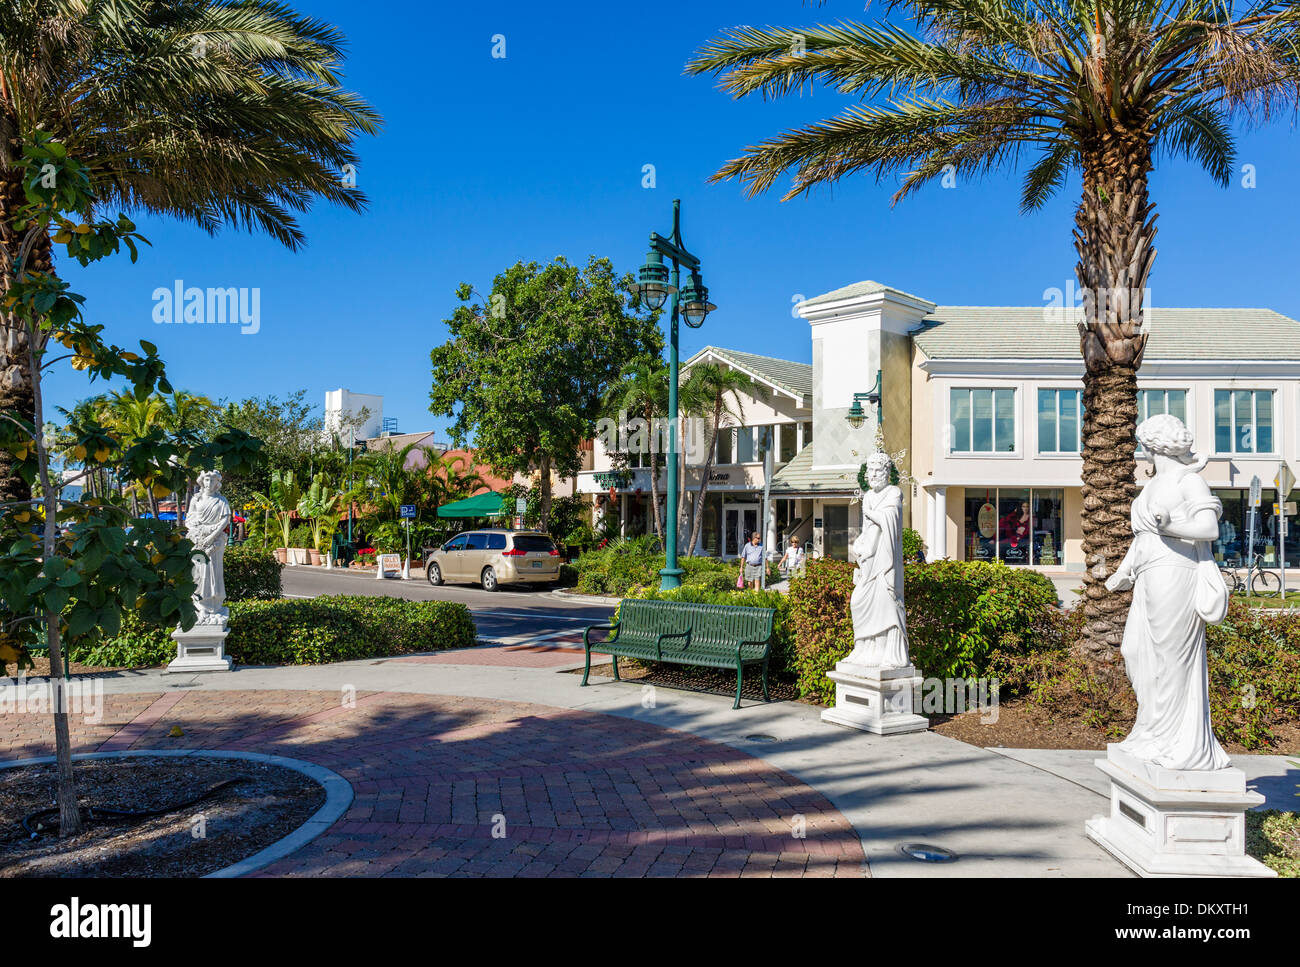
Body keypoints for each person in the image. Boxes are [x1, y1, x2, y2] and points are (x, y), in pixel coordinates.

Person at [1105, 414, 1230, 771]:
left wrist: (1171, 525)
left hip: (1176, 572)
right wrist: (1122, 570)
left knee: (1170, 657)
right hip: (1148, 572)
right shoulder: (1153, 485)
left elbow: (1208, 528)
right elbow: (1144, 535)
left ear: (1151, 445)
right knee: (1135, 650)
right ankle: (1151, 730)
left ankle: (1171, 739)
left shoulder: (1188, 481)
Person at [844, 453, 909, 669]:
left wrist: (870, 513)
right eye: (869, 471)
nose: (872, 475)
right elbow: (868, 529)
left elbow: (889, 520)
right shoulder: (869, 496)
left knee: (887, 603)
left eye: (877, 470)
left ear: (887, 472)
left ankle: (888, 653)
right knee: (858, 601)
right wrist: (859, 547)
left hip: (886, 560)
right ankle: (864, 648)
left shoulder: (894, 492)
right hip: (870, 559)